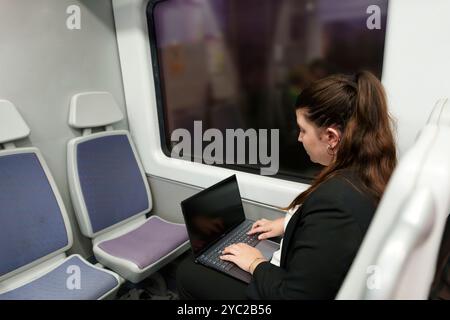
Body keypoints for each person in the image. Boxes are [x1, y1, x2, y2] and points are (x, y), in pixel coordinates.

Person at [176, 71, 397, 299]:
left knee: (187, 272)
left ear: (331, 137)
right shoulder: (370, 171)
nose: (299, 138)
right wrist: (289, 223)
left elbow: (295, 296)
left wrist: (255, 263)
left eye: (303, 130)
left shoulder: (336, 203)